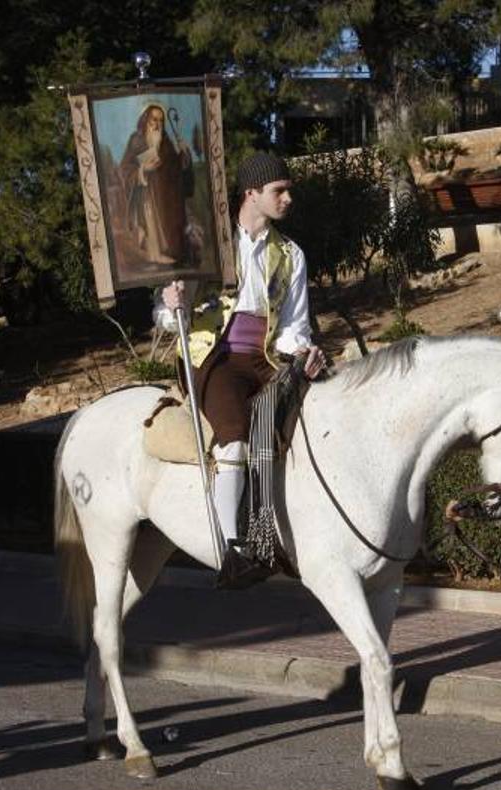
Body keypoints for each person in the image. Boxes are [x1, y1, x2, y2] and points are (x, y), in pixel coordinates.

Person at [155, 151, 326, 586]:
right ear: (252, 193)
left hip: (266, 358)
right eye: (279, 191)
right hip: (213, 355)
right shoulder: (204, 243)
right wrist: (171, 305)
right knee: (232, 439)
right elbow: (167, 313)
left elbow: (294, 324)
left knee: (316, 416)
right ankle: (231, 550)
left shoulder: (291, 254)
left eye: (288, 190)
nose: (288, 199)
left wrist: (301, 355)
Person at [120, 103, 195, 267]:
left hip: (166, 195)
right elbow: (125, 169)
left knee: (170, 229)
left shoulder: (166, 142)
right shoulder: (136, 140)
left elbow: (176, 168)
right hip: (145, 193)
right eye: (154, 119)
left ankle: (169, 252)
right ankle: (153, 254)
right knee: (150, 222)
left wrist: (184, 155)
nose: (157, 124)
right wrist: (142, 170)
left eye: (161, 120)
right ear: (146, 120)